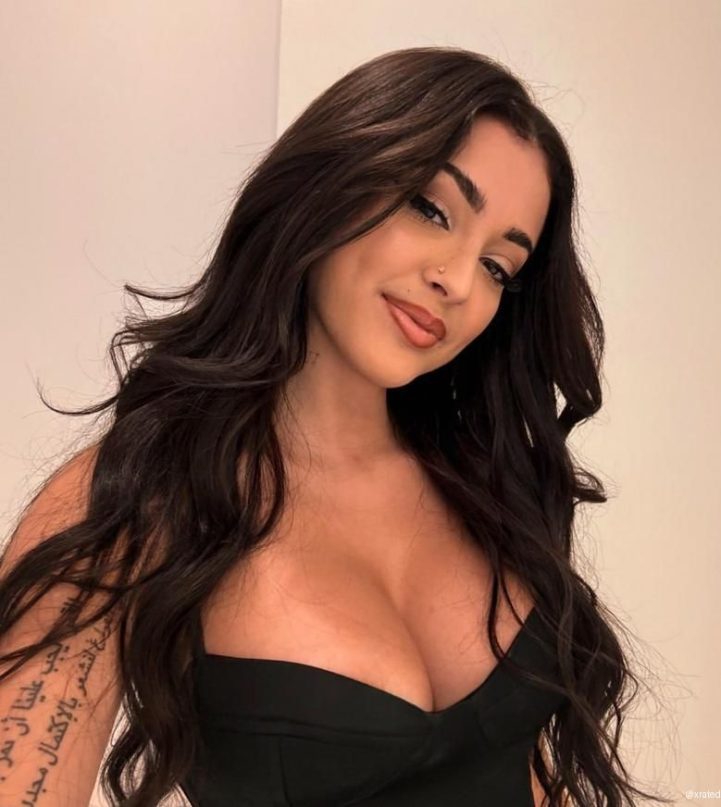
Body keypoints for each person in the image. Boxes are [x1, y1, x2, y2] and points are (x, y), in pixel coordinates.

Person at [0, 46, 671, 806]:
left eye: (497, 267)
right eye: (431, 209)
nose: (457, 280)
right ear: (328, 183)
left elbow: (519, 767)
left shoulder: (488, 481)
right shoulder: (138, 493)